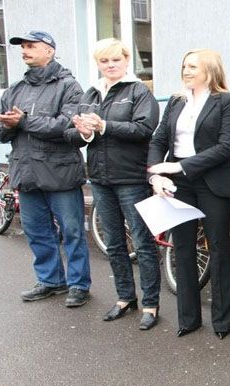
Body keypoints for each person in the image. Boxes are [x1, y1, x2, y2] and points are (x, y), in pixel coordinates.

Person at [64, 38, 161, 330]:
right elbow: (71, 135)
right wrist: (84, 132)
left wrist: (104, 126)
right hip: (100, 178)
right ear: (97, 63)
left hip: (131, 178)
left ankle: (151, 304)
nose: (110, 65)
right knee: (114, 243)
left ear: (126, 60)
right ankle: (125, 298)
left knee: (142, 243)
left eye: (115, 60)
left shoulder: (138, 91)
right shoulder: (90, 93)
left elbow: (144, 129)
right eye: (104, 61)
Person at [0, 30, 91, 307]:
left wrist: (23, 122)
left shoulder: (69, 86)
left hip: (60, 172)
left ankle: (79, 285)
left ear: (49, 50)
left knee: (72, 232)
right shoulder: (15, 89)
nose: (25, 50)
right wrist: (6, 125)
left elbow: (66, 125)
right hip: (26, 171)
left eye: (31, 46)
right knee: (36, 231)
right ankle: (51, 280)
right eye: (23, 47)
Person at [148, 49, 230, 339]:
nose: (186, 71)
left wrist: (179, 166)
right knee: (183, 249)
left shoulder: (227, 101)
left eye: (192, 67)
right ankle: (188, 319)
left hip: (213, 183)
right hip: (179, 185)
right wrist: (155, 175)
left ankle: (222, 322)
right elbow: (158, 140)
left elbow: (225, 147)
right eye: (184, 66)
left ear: (210, 70)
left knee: (218, 250)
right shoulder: (176, 101)